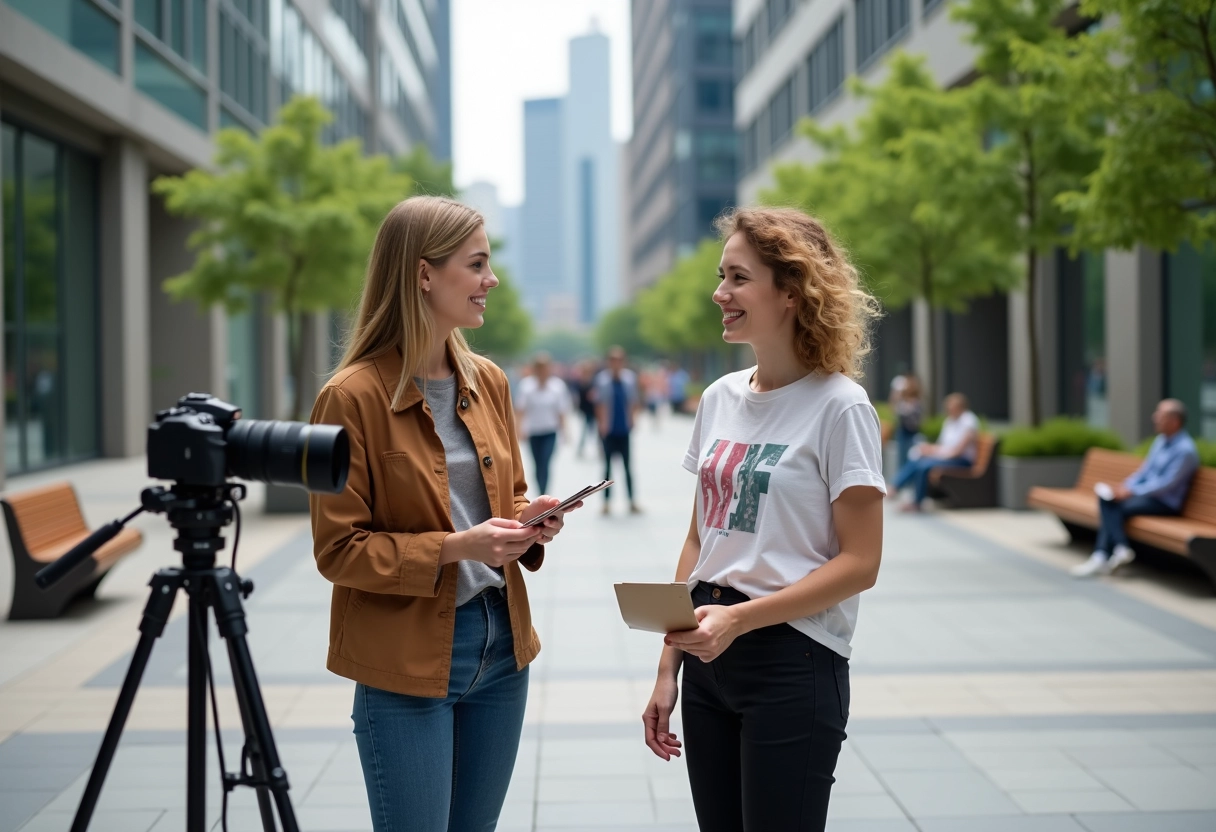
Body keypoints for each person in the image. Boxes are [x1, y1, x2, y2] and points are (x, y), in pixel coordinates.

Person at [309, 196, 580, 832]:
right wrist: (458, 547)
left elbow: (502, 500)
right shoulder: (348, 398)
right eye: (477, 264)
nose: (492, 280)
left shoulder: (488, 380)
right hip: (404, 661)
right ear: (424, 274)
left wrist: (529, 516)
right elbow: (338, 551)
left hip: (501, 646)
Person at [642, 207, 885, 831]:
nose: (719, 293)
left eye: (738, 278)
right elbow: (702, 536)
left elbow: (861, 564)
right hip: (706, 655)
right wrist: (670, 665)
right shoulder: (719, 398)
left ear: (791, 292)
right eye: (722, 276)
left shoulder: (841, 407)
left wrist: (740, 620)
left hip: (793, 659)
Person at [1071, 398, 1200, 578]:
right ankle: (1117, 549)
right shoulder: (1161, 441)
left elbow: (1166, 484)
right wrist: (1124, 487)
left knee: (1114, 506)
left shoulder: (1186, 450)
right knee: (1109, 499)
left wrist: (1132, 492)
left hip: (1166, 503)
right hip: (1148, 497)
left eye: (1160, 415)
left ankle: (1105, 554)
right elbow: (1144, 472)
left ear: (1175, 421)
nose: (1154, 418)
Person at [891, 393, 978, 512]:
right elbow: (942, 445)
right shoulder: (949, 420)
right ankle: (896, 487)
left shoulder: (968, 420)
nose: (948, 410)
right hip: (947, 457)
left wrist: (937, 455)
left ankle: (916, 502)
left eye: (951, 407)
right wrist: (929, 449)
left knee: (924, 465)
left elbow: (959, 451)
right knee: (918, 459)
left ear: (960, 406)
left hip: (962, 460)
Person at [595, 346, 642, 515]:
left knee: (628, 467)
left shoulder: (629, 379)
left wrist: (632, 419)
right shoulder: (602, 380)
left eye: (620, 359)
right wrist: (602, 424)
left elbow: (634, 400)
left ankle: (631, 501)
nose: (616, 363)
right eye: (613, 360)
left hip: (624, 430)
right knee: (607, 468)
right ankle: (606, 502)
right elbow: (599, 403)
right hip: (609, 430)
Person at [515, 352, 570, 496]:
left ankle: (544, 493)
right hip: (534, 431)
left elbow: (561, 412)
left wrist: (565, 432)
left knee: (545, 462)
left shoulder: (557, 386)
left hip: (550, 431)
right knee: (537, 464)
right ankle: (540, 492)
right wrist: (518, 431)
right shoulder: (526, 386)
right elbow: (520, 410)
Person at [890, 373, 923, 468]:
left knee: (912, 459)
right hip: (902, 432)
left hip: (913, 433)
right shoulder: (902, 400)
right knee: (901, 458)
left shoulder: (917, 401)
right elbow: (894, 411)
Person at [572, 359, 600, 457]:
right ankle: (581, 449)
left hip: (594, 410)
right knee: (585, 431)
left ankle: (599, 449)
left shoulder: (595, 381)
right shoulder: (580, 381)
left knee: (595, 431)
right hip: (585, 409)